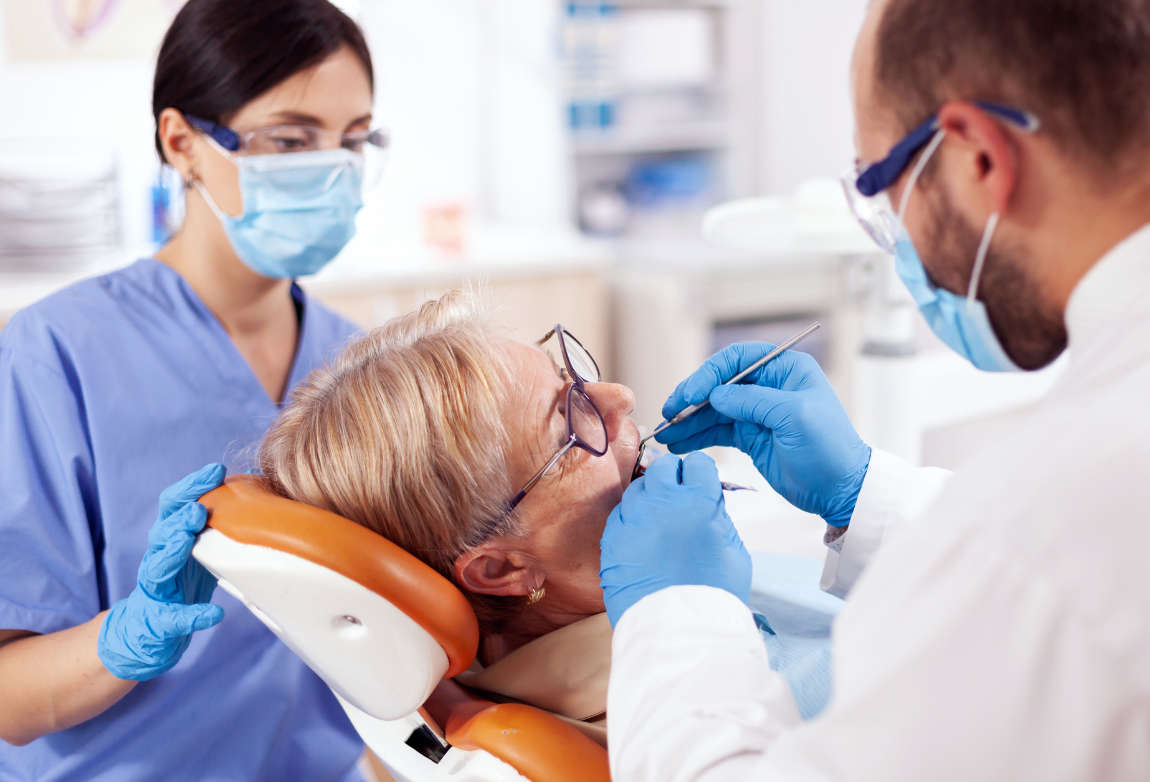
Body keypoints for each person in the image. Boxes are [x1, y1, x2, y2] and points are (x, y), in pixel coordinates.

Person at [597, 0, 1150, 779]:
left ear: (981, 156)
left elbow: (1065, 572)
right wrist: (865, 493)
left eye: (883, 191)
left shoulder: (1048, 531)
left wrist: (679, 617)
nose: (896, 236)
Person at [0, 1, 384, 778]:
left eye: (354, 140)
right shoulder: (54, 356)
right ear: (183, 144)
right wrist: (124, 639)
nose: (334, 169)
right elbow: (8, 696)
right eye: (291, 140)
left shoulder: (361, 364)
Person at [251, 292, 842, 726]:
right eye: (569, 419)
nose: (620, 398)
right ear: (501, 569)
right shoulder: (685, 712)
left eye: (573, 376)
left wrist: (856, 505)